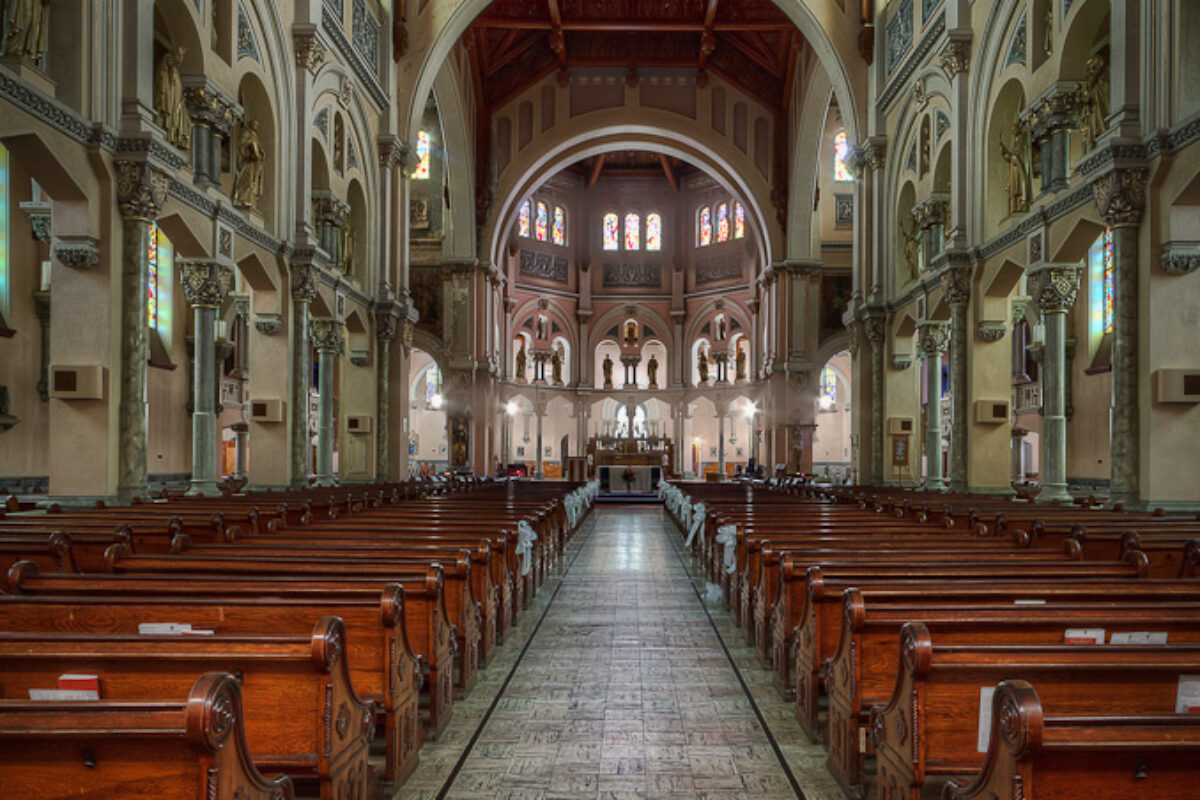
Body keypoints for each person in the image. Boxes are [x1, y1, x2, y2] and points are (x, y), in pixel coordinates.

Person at [233, 120, 266, 209]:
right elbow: (241, 144)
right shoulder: (246, 133)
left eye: (257, 125)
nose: (255, 126)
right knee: (246, 178)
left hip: (254, 163)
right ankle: (242, 198)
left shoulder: (255, 135)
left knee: (253, 182)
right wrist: (251, 146)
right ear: (250, 124)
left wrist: (261, 152)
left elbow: (258, 147)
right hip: (247, 161)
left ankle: (250, 199)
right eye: (254, 124)